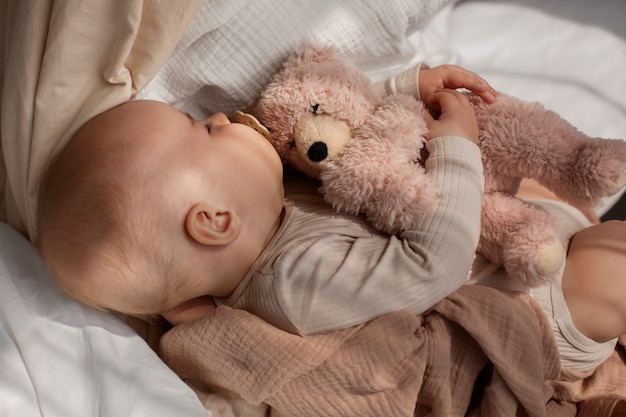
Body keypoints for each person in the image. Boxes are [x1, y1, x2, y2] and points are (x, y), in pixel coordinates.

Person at [36, 64, 491, 335]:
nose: (218, 115)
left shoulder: (269, 211)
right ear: (215, 222)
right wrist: (456, 149)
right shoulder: (293, 285)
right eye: (207, 130)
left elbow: (328, 136)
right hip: (495, 295)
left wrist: (410, 89)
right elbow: (434, 264)